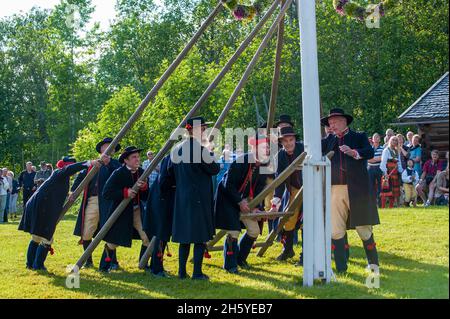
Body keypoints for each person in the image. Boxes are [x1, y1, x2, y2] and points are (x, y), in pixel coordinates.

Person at [321, 108, 380, 274]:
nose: (331, 125)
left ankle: (373, 264)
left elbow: (369, 152)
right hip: (335, 189)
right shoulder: (327, 141)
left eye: (334, 121)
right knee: (335, 229)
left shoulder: (358, 136)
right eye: (330, 123)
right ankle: (341, 269)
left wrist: (354, 152)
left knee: (364, 228)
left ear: (344, 121)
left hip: (358, 189)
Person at [164, 116, 219, 280]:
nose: (204, 131)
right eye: (202, 128)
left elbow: (169, 174)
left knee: (185, 237)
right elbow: (214, 169)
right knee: (200, 237)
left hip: (182, 196)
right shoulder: (200, 149)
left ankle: (182, 272)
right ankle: (197, 273)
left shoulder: (176, 149)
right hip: (199, 197)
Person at [18, 157, 95, 271]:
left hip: (40, 206)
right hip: (42, 207)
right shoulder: (60, 172)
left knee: (37, 237)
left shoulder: (62, 176)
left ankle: (30, 264)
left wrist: (69, 193)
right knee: (45, 237)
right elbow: (69, 169)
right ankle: (37, 265)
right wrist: (88, 163)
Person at [215, 133, 270, 273]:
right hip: (228, 199)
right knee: (233, 231)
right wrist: (239, 201)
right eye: (264, 147)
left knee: (254, 230)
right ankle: (230, 265)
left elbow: (259, 189)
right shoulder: (241, 161)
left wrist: (257, 207)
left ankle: (240, 259)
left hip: (245, 201)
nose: (267, 151)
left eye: (268, 148)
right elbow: (228, 185)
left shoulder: (264, 165)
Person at [71, 137, 121, 268]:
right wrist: (72, 192)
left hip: (110, 201)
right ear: (101, 149)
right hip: (93, 200)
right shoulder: (93, 164)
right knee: (87, 231)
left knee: (111, 230)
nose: (110, 148)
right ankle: (88, 260)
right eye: (107, 146)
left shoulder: (116, 164)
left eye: (112, 146)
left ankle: (112, 261)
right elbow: (80, 179)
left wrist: (109, 163)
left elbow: (121, 175)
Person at [100, 146, 150, 273]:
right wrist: (124, 193)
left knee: (147, 237)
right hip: (121, 212)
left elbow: (145, 196)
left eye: (138, 157)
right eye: (134, 157)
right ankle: (104, 266)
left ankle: (143, 264)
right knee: (112, 243)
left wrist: (144, 188)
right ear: (126, 160)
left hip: (137, 210)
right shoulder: (118, 173)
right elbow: (106, 192)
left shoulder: (142, 172)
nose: (137, 159)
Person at [270, 126, 305, 265]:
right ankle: (288, 250)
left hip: (309, 189)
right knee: (287, 221)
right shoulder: (280, 155)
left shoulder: (304, 149)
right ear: (281, 142)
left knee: (306, 223)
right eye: (285, 141)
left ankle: (305, 256)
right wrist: (275, 203)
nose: (289, 143)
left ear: (295, 140)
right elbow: (279, 179)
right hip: (292, 190)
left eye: (291, 140)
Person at [144, 155, 175, 277]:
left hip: (165, 198)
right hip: (162, 199)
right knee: (161, 233)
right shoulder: (172, 159)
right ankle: (157, 268)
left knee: (163, 233)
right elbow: (164, 182)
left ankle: (156, 265)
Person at [367, 133, 384, 207]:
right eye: (375, 137)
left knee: (380, 185)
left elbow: (381, 158)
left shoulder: (382, 148)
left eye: (378, 137)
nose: (376, 138)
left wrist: (373, 159)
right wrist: (375, 159)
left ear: (379, 139)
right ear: (372, 140)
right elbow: (367, 159)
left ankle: (379, 202)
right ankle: (372, 203)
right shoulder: (369, 148)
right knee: (371, 185)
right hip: (370, 169)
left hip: (379, 168)